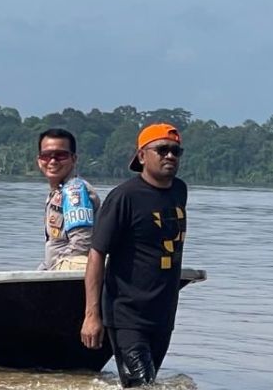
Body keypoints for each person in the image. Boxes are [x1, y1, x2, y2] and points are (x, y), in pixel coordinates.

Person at [81, 123, 188, 387]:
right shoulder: (124, 198)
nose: (170, 156)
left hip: (163, 314)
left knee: (144, 384)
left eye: (176, 151)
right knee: (142, 385)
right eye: (162, 150)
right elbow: (96, 254)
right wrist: (92, 314)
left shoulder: (179, 191)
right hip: (127, 313)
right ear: (141, 156)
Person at [36, 127, 101, 270]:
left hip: (70, 275)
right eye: (46, 156)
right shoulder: (57, 192)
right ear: (39, 160)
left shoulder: (74, 191)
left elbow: (82, 243)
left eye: (61, 156)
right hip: (57, 269)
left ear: (73, 159)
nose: (53, 161)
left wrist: (54, 270)